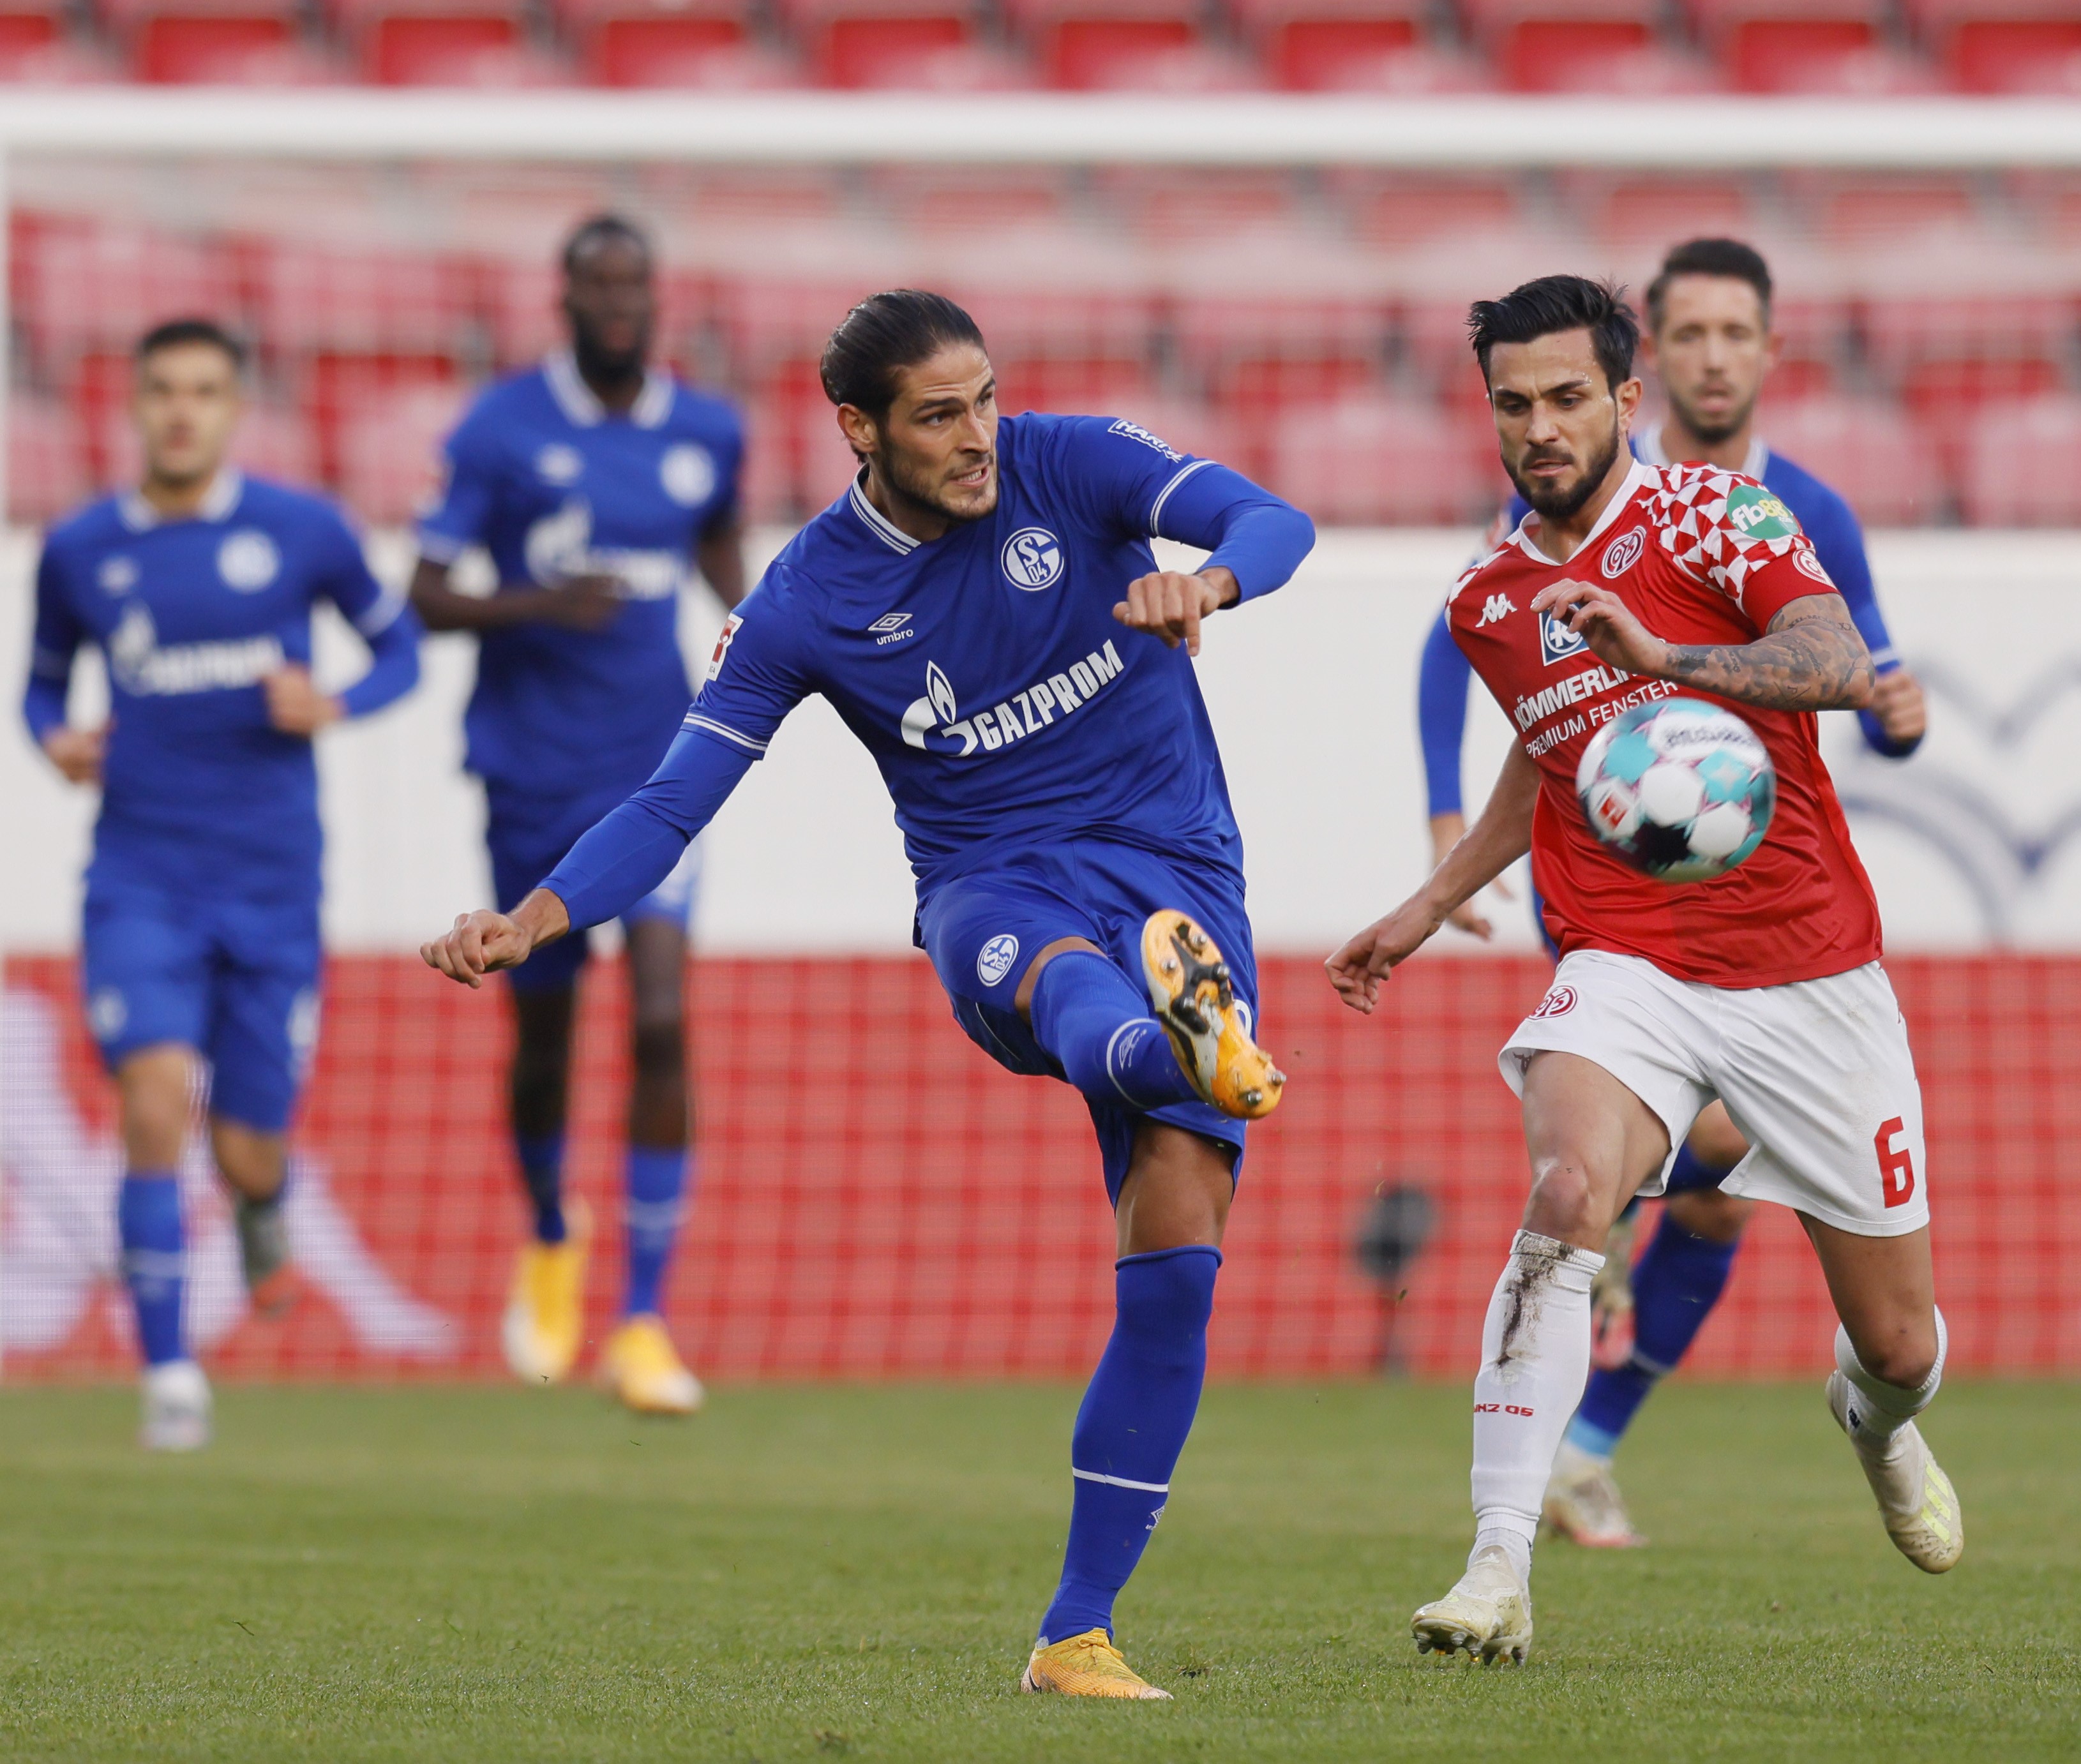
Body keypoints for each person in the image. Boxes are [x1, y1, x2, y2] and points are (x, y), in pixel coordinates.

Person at [416, 290, 1314, 1700]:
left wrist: (1211, 581)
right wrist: (534, 916)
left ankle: (1073, 1634)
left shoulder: (1070, 465)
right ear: (860, 429)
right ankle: (1170, 1038)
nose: (977, 438)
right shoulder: (806, 600)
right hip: (994, 895)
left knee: (1180, 1255)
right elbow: (673, 799)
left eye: (984, 400)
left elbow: (1275, 519)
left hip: (1170, 866)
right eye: (939, 415)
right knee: (1077, 985)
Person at [1332, 276, 1962, 1667]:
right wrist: (1430, 900)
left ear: (1625, 397)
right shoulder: (1488, 597)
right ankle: (1495, 1562)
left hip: (1809, 973)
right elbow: (1543, 752)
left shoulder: (1713, 514)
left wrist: (1667, 654)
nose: (1541, 426)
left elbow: (1832, 657)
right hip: (1630, 959)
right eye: (1514, 403)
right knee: (1565, 1190)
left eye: (1567, 398)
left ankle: (1872, 1418)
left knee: (1905, 1339)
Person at [21, 318, 423, 1450]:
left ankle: (258, 1206)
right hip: (139, 877)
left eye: (204, 391)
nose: (183, 411)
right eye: (163, 392)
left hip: (271, 884)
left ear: (236, 406)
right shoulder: (82, 550)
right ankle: (169, 1378)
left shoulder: (301, 531)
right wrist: (56, 742)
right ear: (134, 406)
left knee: (249, 1145)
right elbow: (39, 691)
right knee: (153, 1104)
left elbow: (399, 650)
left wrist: (335, 703)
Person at [407, 215, 748, 1416]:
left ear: (657, 299)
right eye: (599, 286)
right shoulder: (500, 429)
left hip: (658, 777)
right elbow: (427, 591)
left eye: (636, 286)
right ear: (563, 299)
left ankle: (643, 1320)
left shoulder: (707, 431)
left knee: (661, 1020)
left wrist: (798, 641)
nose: (620, 305)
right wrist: (537, 604)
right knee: (544, 1039)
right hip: (529, 775)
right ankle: (553, 1233)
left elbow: (725, 565)